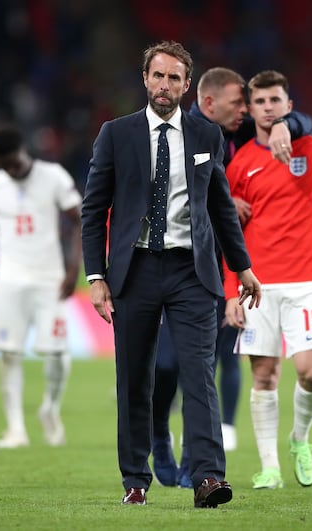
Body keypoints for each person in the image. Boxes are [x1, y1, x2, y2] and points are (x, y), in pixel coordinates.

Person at [81, 41, 261, 508]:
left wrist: (241, 267)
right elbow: (94, 209)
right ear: (145, 79)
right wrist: (95, 277)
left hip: (191, 270)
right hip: (134, 270)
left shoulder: (206, 137)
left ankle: (206, 478)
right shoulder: (115, 134)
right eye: (158, 76)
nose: (165, 86)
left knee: (199, 374)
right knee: (135, 378)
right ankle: (135, 481)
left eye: (174, 78)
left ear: (186, 85)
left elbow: (221, 206)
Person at [151, 66, 312, 488]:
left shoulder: (238, 137)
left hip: (219, 271)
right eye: (238, 103)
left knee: (202, 369)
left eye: (250, 102)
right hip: (174, 265)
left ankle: (194, 462)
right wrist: (222, 199)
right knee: (167, 366)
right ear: (209, 104)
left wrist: (284, 124)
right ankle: (158, 434)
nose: (246, 110)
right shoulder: (177, 134)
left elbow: (304, 124)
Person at [224, 70, 312, 490]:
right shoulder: (241, 161)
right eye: (260, 102)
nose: (268, 108)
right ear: (251, 107)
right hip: (255, 287)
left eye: (275, 100)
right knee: (264, 376)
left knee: (309, 372)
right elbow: (230, 234)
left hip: (303, 285)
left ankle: (300, 439)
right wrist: (231, 292)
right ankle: (269, 467)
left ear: (289, 106)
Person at [0, 127, 82, 449]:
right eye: (5, 166)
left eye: (15, 164)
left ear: (24, 152)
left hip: (50, 279)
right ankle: (15, 428)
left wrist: (74, 266)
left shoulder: (53, 176)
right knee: (8, 352)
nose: (12, 171)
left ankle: (50, 408)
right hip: (8, 280)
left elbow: (79, 219)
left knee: (59, 352)